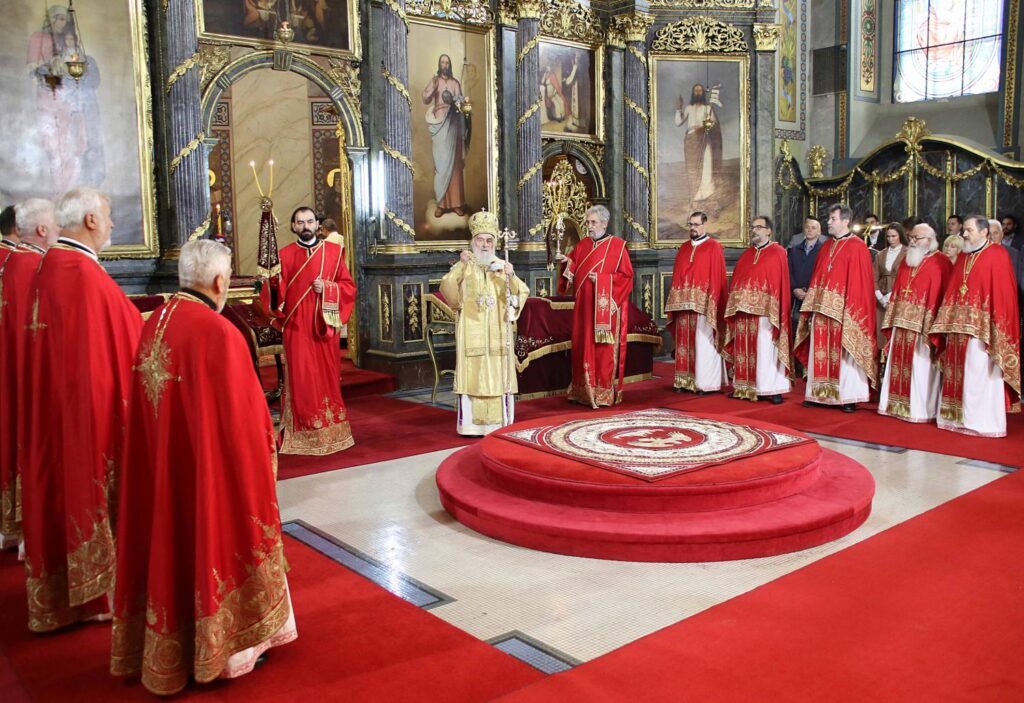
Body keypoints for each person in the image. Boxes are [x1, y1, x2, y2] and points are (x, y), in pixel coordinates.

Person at [112, 240, 296, 696]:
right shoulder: (219, 334)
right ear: (219, 282)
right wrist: (267, 453)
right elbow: (248, 423)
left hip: (166, 468)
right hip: (212, 475)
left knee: (174, 543)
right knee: (217, 536)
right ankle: (231, 648)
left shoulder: (155, 323)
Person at [19, 187, 143, 632]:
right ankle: (94, 595)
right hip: (89, 417)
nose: (111, 225)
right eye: (107, 217)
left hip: (56, 410)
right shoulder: (83, 276)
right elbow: (128, 344)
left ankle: (62, 596)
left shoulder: (48, 266)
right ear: (91, 221)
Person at [0, 199, 59, 553]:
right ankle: (28, 531)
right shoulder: (37, 267)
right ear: (40, 229)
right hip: (27, 371)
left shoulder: (8, 262)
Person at [439, 212, 530, 435]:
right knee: (473, 375)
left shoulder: (502, 265)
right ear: (473, 241)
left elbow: (521, 293)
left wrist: (512, 275)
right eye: (481, 240)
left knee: (499, 376)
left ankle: (500, 423)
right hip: (472, 330)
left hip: (498, 332)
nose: (485, 245)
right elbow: (447, 287)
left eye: (489, 240)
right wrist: (460, 266)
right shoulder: (465, 264)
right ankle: (471, 425)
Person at [276, 206, 356, 454]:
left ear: (317, 224)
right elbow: (276, 294)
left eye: (309, 221)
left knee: (327, 375)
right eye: (300, 222)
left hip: (324, 325)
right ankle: (303, 430)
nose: (305, 226)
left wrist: (329, 288)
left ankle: (333, 427)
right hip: (297, 326)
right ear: (293, 226)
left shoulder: (333, 252)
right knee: (302, 376)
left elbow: (348, 287)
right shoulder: (284, 255)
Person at [932, 215, 1020, 437]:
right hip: (957, 328)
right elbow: (954, 289)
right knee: (957, 372)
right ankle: (957, 419)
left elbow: (1003, 296)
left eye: (969, 230)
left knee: (978, 373)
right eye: (965, 230)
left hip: (983, 331)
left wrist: (992, 326)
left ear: (984, 232)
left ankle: (982, 421)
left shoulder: (998, 255)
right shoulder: (964, 256)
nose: (964, 234)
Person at [794, 203, 877, 412]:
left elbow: (860, 285)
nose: (828, 222)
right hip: (822, 310)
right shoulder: (826, 247)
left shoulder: (858, 247)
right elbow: (818, 278)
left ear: (846, 221)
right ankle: (817, 394)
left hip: (844, 313)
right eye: (829, 218)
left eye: (833, 219)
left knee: (844, 356)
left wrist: (849, 311)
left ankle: (848, 397)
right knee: (819, 351)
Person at [558, 205, 634, 407]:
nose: (589, 226)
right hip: (583, 309)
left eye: (593, 222)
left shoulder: (617, 247)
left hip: (604, 311)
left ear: (604, 223)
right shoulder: (582, 245)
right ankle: (582, 390)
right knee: (582, 346)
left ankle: (601, 392)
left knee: (602, 350)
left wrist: (601, 279)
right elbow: (573, 268)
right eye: (588, 222)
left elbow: (626, 277)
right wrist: (566, 261)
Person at [877, 224, 953, 422]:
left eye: (916, 238)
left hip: (923, 328)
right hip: (901, 324)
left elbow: (942, 296)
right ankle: (894, 405)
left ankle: (920, 410)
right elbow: (900, 289)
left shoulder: (942, 263)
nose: (911, 241)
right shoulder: (907, 261)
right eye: (911, 237)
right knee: (897, 366)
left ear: (929, 239)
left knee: (921, 367)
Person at [723, 216, 792, 403]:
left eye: (759, 227)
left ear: (769, 231)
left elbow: (779, 284)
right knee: (743, 349)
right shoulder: (746, 255)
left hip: (765, 313)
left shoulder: (778, 252)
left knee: (764, 350)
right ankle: (743, 386)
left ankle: (771, 389)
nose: (755, 230)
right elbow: (737, 281)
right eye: (752, 227)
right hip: (742, 313)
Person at [666, 211, 728, 393]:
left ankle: (705, 383)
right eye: (690, 224)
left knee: (703, 343)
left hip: (704, 306)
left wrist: (712, 301)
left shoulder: (714, 247)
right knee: (684, 344)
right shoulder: (684, 248)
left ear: (704, 225)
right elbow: (678, 275)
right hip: (683, 305)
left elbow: (717, 277)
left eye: (696, 224)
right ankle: (684, 381)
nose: (692, 228)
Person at [422, 54, 468, 218]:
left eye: (447, 62)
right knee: (441, 165)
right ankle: (441, 204)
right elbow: (425, 98)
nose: (445, 65)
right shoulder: (436, 81)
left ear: (450, 65)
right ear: (439, 64)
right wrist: (433, 87)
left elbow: (461, 104)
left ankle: (456, 203)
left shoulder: (455, 83)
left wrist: (458, 101)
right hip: (440, 124)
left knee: (454, 166)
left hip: (453, 123)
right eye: (442, 62)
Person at [675, 83, 722, 203]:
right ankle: (695, 195)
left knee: (706, 165)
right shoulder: (689, 108)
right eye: (696, 90)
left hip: (704, 139)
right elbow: (678, 122)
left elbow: (714, 124)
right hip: (691, 140)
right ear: (693, 93)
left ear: (703, 93)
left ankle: (706, 194)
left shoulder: (708, 108)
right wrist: (678, 108)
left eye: (700, 91)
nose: (698, 93)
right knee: (693, 168)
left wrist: (706, 126)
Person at [873, 223, 908, 346]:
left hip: (899, 296)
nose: (891, 239)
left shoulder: (908, 252)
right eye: (888, 236)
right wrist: (881, 298)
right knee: (881, 329)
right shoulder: (880, 254)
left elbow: (908, 278)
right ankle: (882, 360)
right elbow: (874, 278)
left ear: (900, 236)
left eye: (894, 236)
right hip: (881, 298)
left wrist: (891, 295)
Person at [788, 216, 824, 334]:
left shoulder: (823, 251)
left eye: (813, 228)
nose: (809, 230)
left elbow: (822, 274)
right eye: (807, 227)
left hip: (814, 296)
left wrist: (811, 291)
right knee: (795, 330)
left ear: (819, 232)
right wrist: (794, 289)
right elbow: (789, 271)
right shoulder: (794, 250)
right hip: (796, 297)